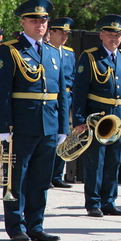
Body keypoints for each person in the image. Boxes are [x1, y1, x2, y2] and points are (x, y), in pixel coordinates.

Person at [0, 0, 69, 241]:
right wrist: (4, 127)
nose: (40, 24)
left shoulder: (52, 52)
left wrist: (62, 126)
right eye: (34, 20)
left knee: (40, 179)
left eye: (44, 20)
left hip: (48, 124)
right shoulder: (11, 49)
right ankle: (16, 226)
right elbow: (2, 91)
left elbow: (61, 92)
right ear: (23, 22)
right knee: (16, 179)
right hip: (21, 125)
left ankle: (36, 225)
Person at [72, 15, 121, 217]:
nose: (114, 38)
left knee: (114, 161)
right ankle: (93, 203)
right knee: (95, 161)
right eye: (109, 34)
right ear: (101, 35)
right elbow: (80, 91)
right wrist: (79, 119)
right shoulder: (90, 57)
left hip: (120, 116)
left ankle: (109, 201)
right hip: (97, 116)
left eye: (118, 35)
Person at [47, 17, 75, 189]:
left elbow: (73, 78)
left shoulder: (69, 53)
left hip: (67, 98)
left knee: (63, 137)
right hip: (51, 98)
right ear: (51, 32)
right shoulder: (45, 50)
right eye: (61, 33)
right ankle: (45, 175)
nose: (64, 36)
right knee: (49, 138)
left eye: (67, 34)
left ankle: (57, 174)